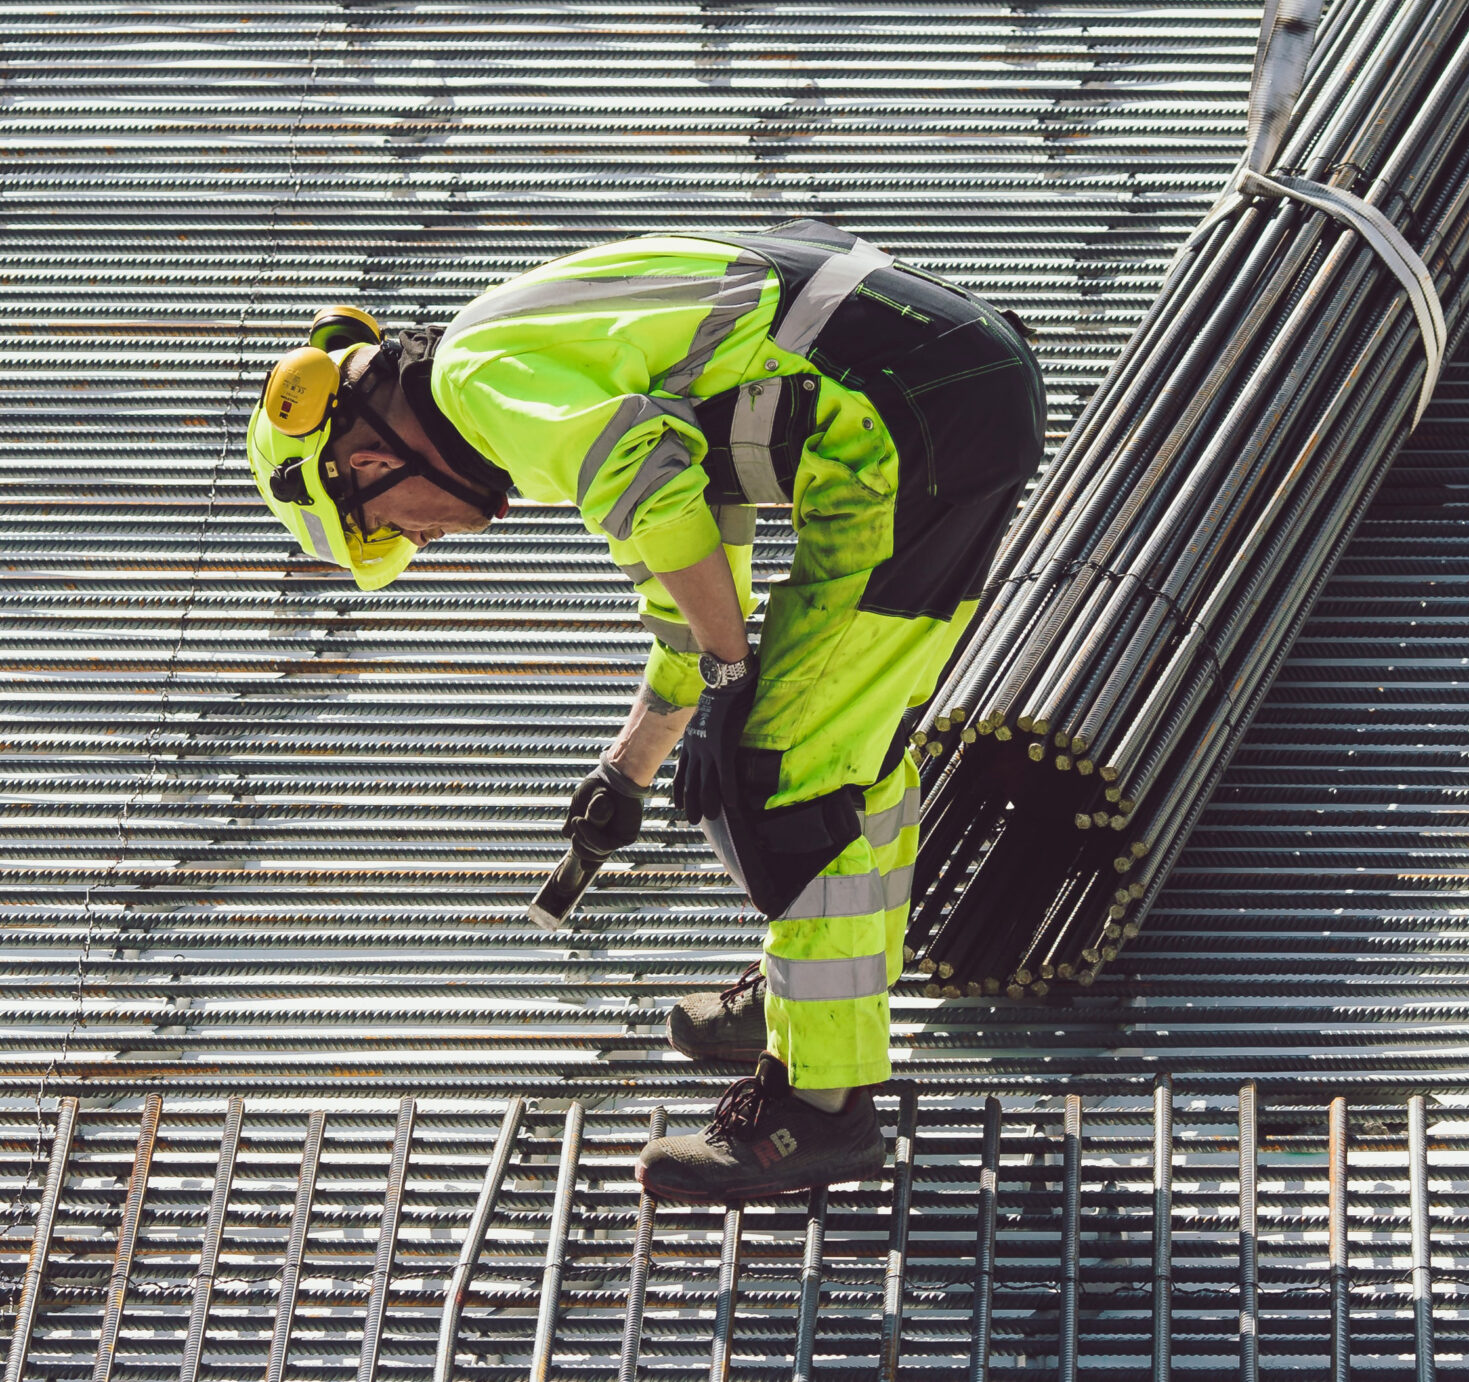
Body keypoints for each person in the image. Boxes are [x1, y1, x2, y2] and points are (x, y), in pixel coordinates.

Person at [243, 220, 1045, 1200]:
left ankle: (816, 1110)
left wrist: (729, 679)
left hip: (911, 419)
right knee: (845, 751)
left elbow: (658, 503)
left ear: (367, 465)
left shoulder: (479, 385)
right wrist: (627, 769)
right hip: (941, 401)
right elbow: (691, 566)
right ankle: (813, 1007)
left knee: (786, 771)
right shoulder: (522, 359)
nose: (424, 538)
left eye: (391, 528)